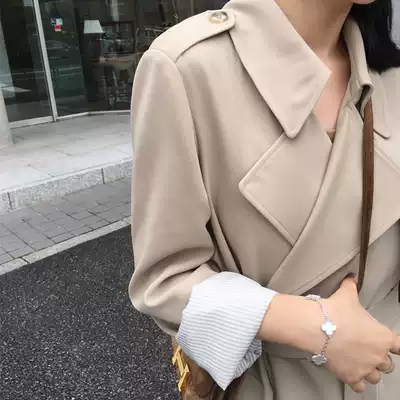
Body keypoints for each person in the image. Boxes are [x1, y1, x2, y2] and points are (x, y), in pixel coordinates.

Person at [128, 0, 400, 398]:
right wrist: (317, 326)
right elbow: (165, 280)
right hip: (272, 384)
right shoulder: (187, 67)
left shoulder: (390, 76)